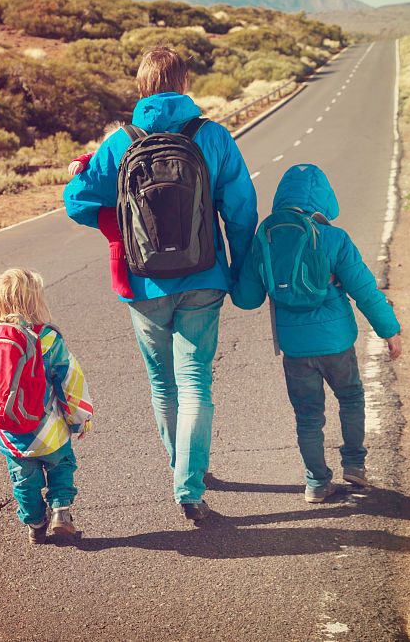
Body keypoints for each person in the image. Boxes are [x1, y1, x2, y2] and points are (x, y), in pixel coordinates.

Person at [63, 46, 258, 522]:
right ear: (184, 83)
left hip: (143, 281)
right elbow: (240, 211)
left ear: (142, 86)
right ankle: (189, 485)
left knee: (163, 384)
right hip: (204, 276)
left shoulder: (120, 142)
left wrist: (119, 227)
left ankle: (179, 465)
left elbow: (77, 201)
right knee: (196, 381)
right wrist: (239, 271)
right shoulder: (213, 136)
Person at [231, 163, 402, 502]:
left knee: (308, 416)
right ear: (324, 198)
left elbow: (247, 299)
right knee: (350, 398)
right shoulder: (334, 238)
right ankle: (354, 465)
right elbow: (365, 291)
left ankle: (316, 483)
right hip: (336, 343)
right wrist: (389, 330)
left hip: (295, 349)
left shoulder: (264, 238)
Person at [0, 268, 95, 543]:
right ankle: (61, 511)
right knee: (62, 465)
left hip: (11, 431)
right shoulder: (48, 337)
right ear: (35, 301)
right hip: (49, 429)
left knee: (23, 481)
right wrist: (80, 420)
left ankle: (35, 523)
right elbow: (69, 381)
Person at [69, 123, 133, 299]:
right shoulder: (100, 157)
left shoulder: (130, 156)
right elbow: (90, 157)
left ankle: (131, 267)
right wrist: (79, 162)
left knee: (131, 238)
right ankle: (118, 281)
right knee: (117, 241)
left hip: (123, 205)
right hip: (106, 209)